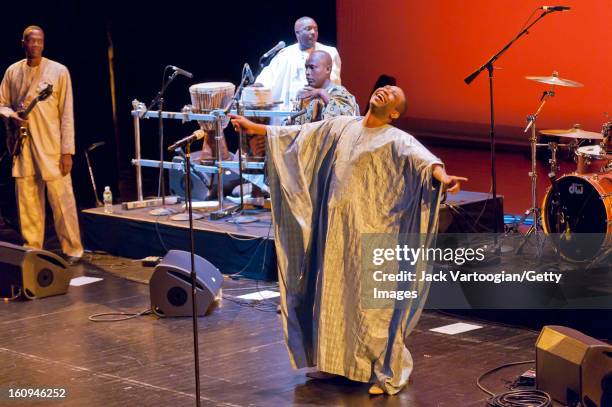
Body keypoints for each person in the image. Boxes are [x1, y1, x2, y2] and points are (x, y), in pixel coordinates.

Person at [230, 86, 467, 395]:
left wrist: (444, 178)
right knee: (334, 298)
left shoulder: (397, 138)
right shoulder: (343, 125)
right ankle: (336, 364)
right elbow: (301, 135)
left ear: (395, 113)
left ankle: (380, 368)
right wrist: (255, 128)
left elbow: (425, 161)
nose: (384, 91)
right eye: (384, 87)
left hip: (369, 229)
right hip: (335, 229)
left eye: (393, 93)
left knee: (370, 305)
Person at [0, 26, 83, 263]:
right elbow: (2, 103)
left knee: (62, 200)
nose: (35, 45)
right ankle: (32, 248)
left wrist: (67, 151)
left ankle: (73, 249)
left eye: (39, 41)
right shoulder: (12, 72)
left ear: (44, 44)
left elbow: (66, 114)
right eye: (31, 41)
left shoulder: (58, 71)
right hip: (23, 145)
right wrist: (11, 116)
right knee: (27, 200)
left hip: (52, 146)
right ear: (23, 43)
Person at [255, 16, 341, 107]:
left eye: (315, 29)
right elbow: (270, 74)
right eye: (308, 29)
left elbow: (333, 80)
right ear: (297, 33)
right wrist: (259, 84)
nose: (313, 32)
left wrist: (316, 91)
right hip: (289, 107)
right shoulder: (285, 54)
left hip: (318, 106)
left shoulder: (329, 52)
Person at [293, 50, 358, 125]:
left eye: (312, 67)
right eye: (306, 68)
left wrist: (321, 93)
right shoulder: (307, 94)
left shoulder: (340, 93)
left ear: (328, 69)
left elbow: (345, 121)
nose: (307, 72)